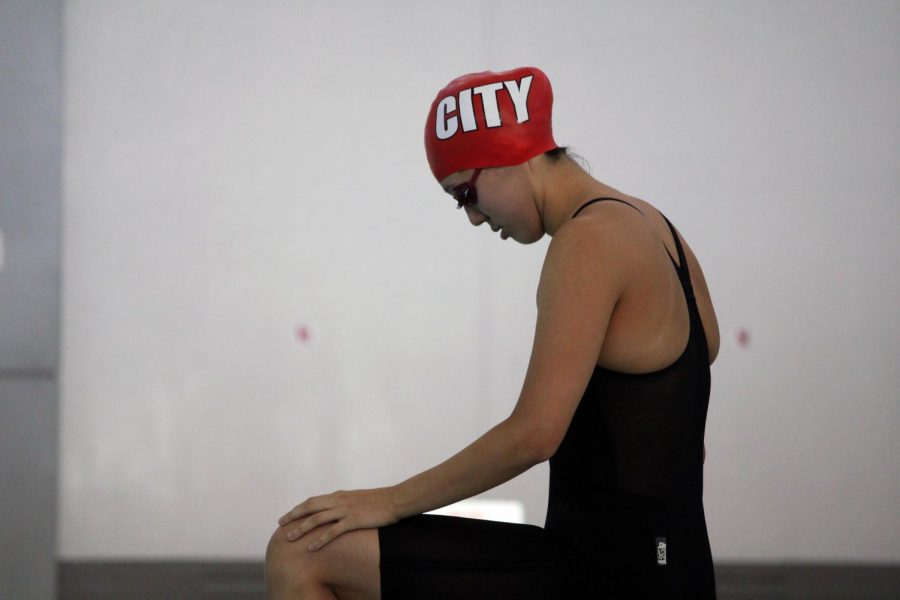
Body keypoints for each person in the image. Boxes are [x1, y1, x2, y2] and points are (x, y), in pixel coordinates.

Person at [265, 66, 720, 599]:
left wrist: (388, 501)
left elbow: (534, 434)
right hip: (674, 565)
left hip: (606, 577)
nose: (475, 220)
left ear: (511, 156)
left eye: (466, 195)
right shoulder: (655, 227)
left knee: (303, 550)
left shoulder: (589, 241)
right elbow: (684, 394)